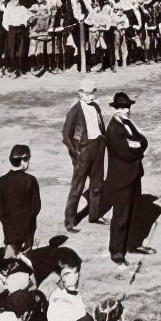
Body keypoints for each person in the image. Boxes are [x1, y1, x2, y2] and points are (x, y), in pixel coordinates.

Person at [104, 91, 151, 266]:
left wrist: (135, 146)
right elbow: (125, 152)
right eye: (122, 108)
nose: (125, 111)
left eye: (127, 107)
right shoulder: (113, 129)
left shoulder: (128, 124)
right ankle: (116, 251)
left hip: (134, 175)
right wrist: (136, 148)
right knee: (121, 216)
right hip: (122, 179)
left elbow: (144, 141)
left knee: (133, 214)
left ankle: (132, 245)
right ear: (115, 109)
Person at [61, 79, 107, 233]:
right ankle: (70, 222)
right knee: (77, 187)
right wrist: (76, 151)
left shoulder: (95, 107)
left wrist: (104, 142)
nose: (92, 97)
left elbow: (101, 127)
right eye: (88, 94)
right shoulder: (76, 110)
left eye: (93, 93)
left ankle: (94, 215)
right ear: (80, 94)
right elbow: (66, 134)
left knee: (97, 184)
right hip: (84, 151)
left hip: (98, 148)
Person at [0, 144, 42, 254]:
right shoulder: (30, 180)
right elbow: (36, 207)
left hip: (9, 229)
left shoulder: (1, 181)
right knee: (26, 259)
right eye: (28, 159)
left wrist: (7, 221)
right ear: (23, 161)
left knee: (10, 259)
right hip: (27, 229)